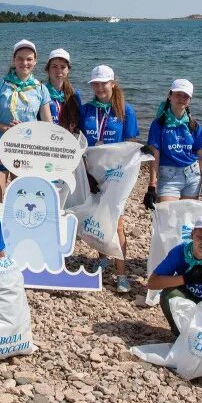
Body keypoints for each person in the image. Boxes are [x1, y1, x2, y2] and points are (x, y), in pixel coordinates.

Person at [79, 65, 140, 290]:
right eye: (95, 83)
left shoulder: (126, 110)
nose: (99, 87)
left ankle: (121, 273)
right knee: (98, 216)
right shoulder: (86, 110)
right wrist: (86, 172)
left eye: (104, 83)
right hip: (93, 173)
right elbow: (81, 143)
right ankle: (103, 258)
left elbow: (131, 146)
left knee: (117, 222)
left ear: (113, 83)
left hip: (117, 175)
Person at [143, 216, 202, 337]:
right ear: (192, 234)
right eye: (201, 237)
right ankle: (180, 335)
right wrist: (186, 278)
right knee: (169, 294)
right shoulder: (180, 252)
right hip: (185, 299)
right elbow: (153, 283)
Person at [0, 40, 53, 201]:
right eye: (20, 58)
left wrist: (26, 131)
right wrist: (5, 128)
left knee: (22, 194)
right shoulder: (1, 84)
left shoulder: (41, 89)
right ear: (14, 60)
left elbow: (48, 125)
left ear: (35, 62)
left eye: (29, 59)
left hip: (25, 149)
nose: (25, 63)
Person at [144, 78, 202, 209]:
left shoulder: (194, 126)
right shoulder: (159, 124)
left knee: (188, 222)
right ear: (170, 96)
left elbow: (201, 156)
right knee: (168, 219)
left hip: (193, 176)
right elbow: (155, 155)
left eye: (186, 96)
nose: (181, 99)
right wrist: (152, 186)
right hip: (168, 177)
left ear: (190, 100)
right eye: (178, 94)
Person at [44, 48, 81, 131]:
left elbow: (79, 124)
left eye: (63, 67)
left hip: (68, 141)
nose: (59, 71)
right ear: (48, 69)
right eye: (54, 67)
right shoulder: (41, 92)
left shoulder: (74, 95)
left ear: (68, 70)